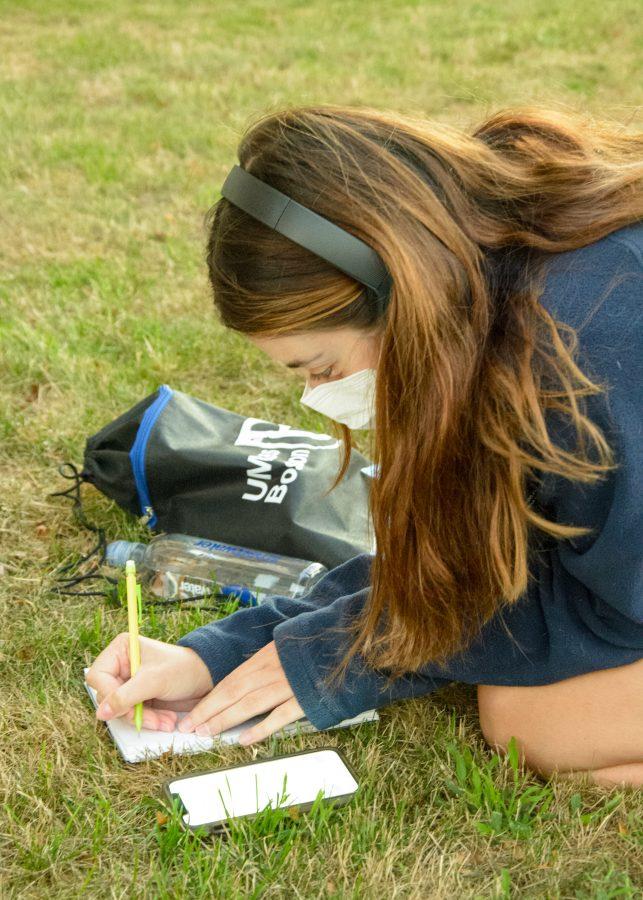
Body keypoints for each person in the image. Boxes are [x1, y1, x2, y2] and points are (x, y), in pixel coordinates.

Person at [87, 103, 643, 788]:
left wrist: (347, 654)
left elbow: (615, 608)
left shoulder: (584, 341)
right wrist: (232, 648)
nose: (321, 397)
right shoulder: (498, 268)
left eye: (322, 368)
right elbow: (491, 554)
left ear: (398, 289)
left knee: (535, 724)